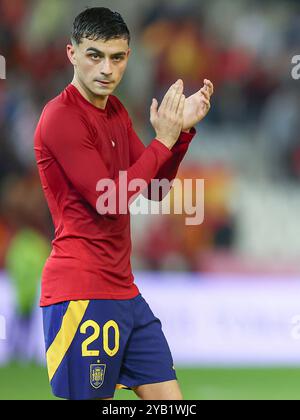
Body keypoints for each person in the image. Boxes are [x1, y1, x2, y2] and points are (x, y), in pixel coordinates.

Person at [34, 7, 213, 400]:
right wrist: (161, 142)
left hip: (124, 292)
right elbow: (110, 199)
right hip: (80, 294)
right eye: (95, 55)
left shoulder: (115, 112)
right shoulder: (60, 117)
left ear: (129, 57)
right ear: (72, 54)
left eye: (117, 57)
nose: (106, 69)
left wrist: (179, 137)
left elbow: (153, 189)